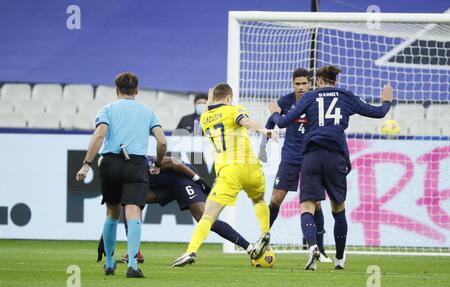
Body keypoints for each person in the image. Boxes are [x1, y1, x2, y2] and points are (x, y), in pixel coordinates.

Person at [269, 65, 393, 270]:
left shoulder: (309, 97)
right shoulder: (346, 96)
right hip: (336, 156)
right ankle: (340, 259)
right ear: (336, 82)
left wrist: (274, 114)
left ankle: (313, 247)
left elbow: (282, 122)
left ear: (317, 81)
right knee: (338, 207)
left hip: (312, 155)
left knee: (307, 206)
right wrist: (387, 100)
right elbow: (378, 113)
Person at [171, 83, 277, 267]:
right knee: (258, 200)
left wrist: (209, 102)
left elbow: (208, 111)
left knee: (208, 216)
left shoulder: (204, 118)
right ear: (229, 97)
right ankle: (265, 232)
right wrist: (265, 130)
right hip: (251, 167)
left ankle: (190, 252)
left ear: (213, 98)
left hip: (229, 171)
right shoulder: (233, 110)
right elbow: (246, 122)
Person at [76, 72, 167, 278]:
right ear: (137, 90)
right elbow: (162, 142)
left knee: (112, 213)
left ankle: (109, 264)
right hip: (136, 163)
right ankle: (133, 265)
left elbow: (99, 134)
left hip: (111, 162)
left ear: (116, 90)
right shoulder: (148, 112)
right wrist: (159, 163)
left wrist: (86, 164)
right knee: (133, 212)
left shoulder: (107, 109)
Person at [97, 155, 257, 263]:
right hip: (163, 188)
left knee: (206, 220)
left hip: (182, 181)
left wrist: (197, 179)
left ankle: (249, 247)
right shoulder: (120, 176)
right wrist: (104, 237)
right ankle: (136, 253)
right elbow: (113, 209)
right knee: (129, 203)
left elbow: (174, 162)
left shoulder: (140, 163)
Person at [259, 68, 331, 264]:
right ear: (293, 84)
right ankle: (263, 239)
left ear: (310, 83)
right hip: (290, 158)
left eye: (303, 83)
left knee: (315, 203)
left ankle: (320, 249)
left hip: (311, 157)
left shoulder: (318, 100)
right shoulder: (286, 101)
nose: (300, 87)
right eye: (297, 84)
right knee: (275, 199)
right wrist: (263, 147)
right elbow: (271, 121)